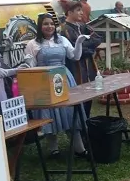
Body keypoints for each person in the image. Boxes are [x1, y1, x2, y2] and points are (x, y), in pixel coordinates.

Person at [24, 13, 90, 157]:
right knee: (49, 113)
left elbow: (75, 57)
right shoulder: (33, 44)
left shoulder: (62, 40)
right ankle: (53, 149)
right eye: (45, 24)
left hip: (63, 78)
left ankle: (79, 148)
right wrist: (28, 62)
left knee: (70, 111)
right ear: (40, 26)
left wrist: (79, 42)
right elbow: (31, 66)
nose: (49, 27)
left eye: (52, 24)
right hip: (44, 80)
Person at [62, 1, 103, 117]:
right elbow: (74, 48)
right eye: (78, 10)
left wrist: (86, 46)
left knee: (90, 93)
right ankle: (80, 126)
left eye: (81, 9)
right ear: (69, 12)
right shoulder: (65, 29)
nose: (81, 12)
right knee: (79, 95)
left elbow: (98, 38)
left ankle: (87, 122)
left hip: (88, 65)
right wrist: (87, 47)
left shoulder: (83, 26)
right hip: (75, 67)